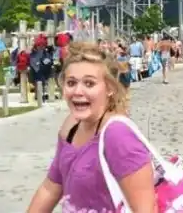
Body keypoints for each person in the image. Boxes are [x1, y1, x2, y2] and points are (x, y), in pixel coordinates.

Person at [27, 42, 155, 211]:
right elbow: (50, 188)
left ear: (109, 88)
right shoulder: (71, 126)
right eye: (71, 83)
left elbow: (146, 208)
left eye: (89, 84)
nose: (78, 91)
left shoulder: (117, 135)